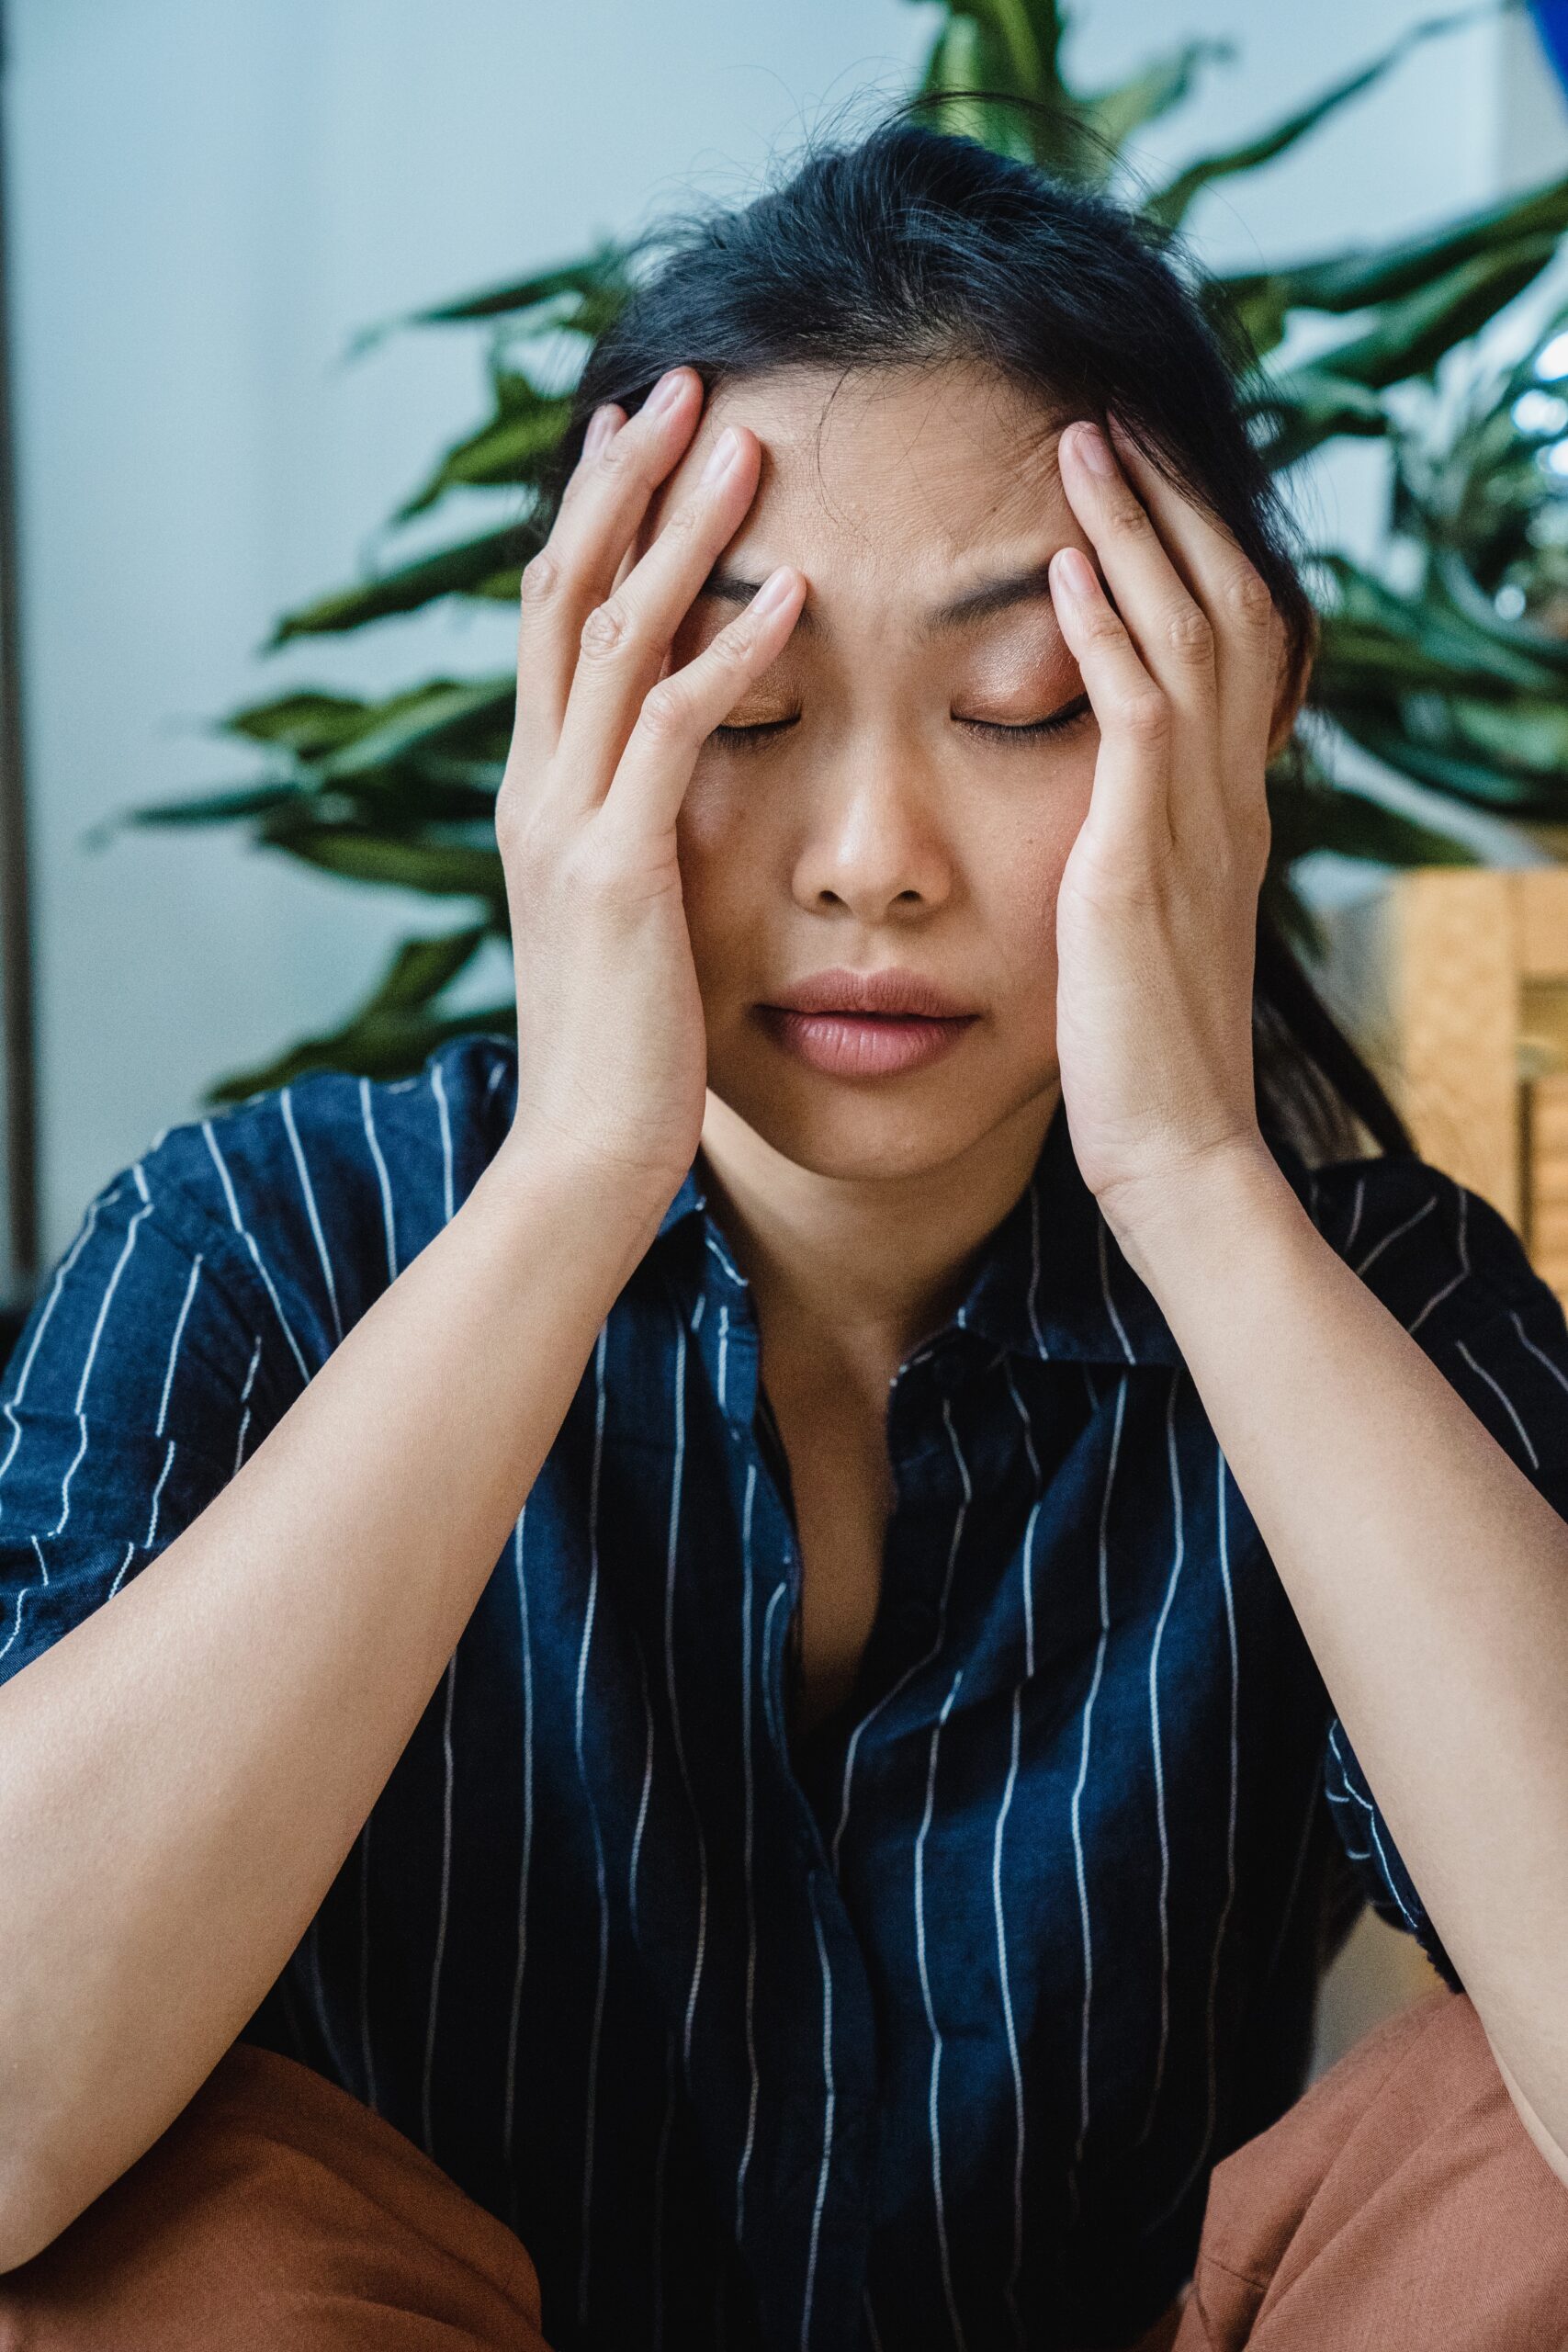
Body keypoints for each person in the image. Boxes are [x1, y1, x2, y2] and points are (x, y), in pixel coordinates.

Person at [1, 110, 1566, 2352]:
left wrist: (1202, 1186)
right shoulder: (255, 1252)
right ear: (572, 724)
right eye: (739, 704)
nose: (868, 857)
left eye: (1018, 709)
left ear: (1232, 722)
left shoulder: (1371, 1310)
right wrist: (565, 1183)